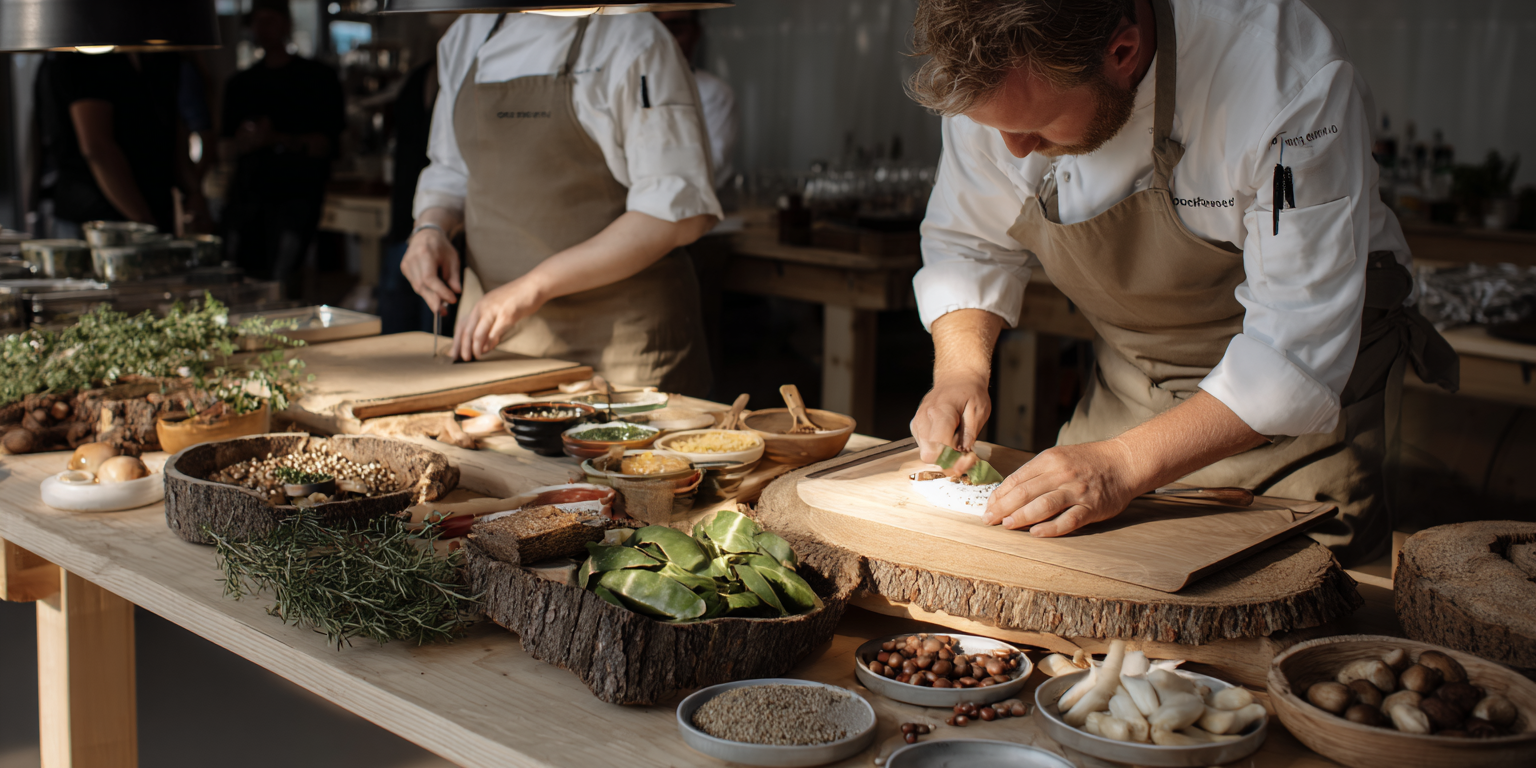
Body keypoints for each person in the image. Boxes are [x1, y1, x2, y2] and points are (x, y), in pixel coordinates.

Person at [904, 0, 1458, 565]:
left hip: (1297, 438)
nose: (1013, 150)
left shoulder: (1286, 79)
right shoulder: (994, 71)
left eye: (1034, 127)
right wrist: (959, 373)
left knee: (1290, 599)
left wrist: (1122, 465)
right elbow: (969, 245)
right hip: (1129, 390)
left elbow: (1293, 353)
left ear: (1122, 52)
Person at [404, 12, 721, 395]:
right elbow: (451, 171)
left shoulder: (632, 36)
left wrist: (533, 286)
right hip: (495, 337)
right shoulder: (467, 36)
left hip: (621, 345)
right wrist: (430, 229)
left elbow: (675, 213)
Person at [220, 0, 345, 291]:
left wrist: (276, 138)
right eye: (258, 22)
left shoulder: (318, 78)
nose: (264, 29)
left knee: (282, 283)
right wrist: (245, 142)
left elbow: (328, 145)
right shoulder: (240, 83)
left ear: (286, 24)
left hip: (296, 195)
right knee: (239, 281)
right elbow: (224, 148)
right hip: (247, 195)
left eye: (271, 20)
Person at [34, 50, 210, 237]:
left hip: (154, 210)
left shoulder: (159, 55)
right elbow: (97, 148)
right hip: (98, 220)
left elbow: (171, 129)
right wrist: (145, 223)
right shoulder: (85, 56)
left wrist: (193, 193)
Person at [656, 10, 738, 192]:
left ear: (696, 32)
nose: (668, 38)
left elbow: (709, 165)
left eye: (676, 29)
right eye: (661, 28)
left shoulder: (714, 93)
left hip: (698, 203)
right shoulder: (632, 85)